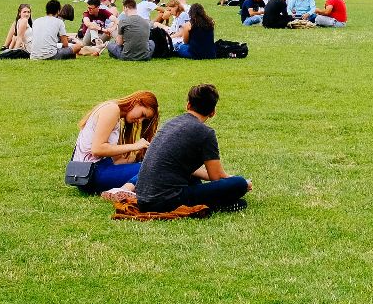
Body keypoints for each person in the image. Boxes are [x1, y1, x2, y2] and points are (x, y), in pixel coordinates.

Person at [131, 84, 247, 213]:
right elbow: (217, 177)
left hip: (143, 199)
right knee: (239, 183)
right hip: (166, 201)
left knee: (194, 179)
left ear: (188, 105)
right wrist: (238, 182)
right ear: (213, 112)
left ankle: (216, 202)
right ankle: (218, 203)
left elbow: (184, 167)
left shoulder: (170, 123)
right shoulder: (205, 133)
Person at [72, 91, 159, 193]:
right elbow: (97, 149)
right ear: (136, 102)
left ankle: (126, 189)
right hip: (92, 173)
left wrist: (141, 155)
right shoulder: (111, 109)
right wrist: (135, 146)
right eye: (142, 114)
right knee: (154, 168)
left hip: (91, 173)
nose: (140, 121)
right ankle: (123, 191)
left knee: (153, 165)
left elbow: (116, 161)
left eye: (144, 119)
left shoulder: (114, 112)